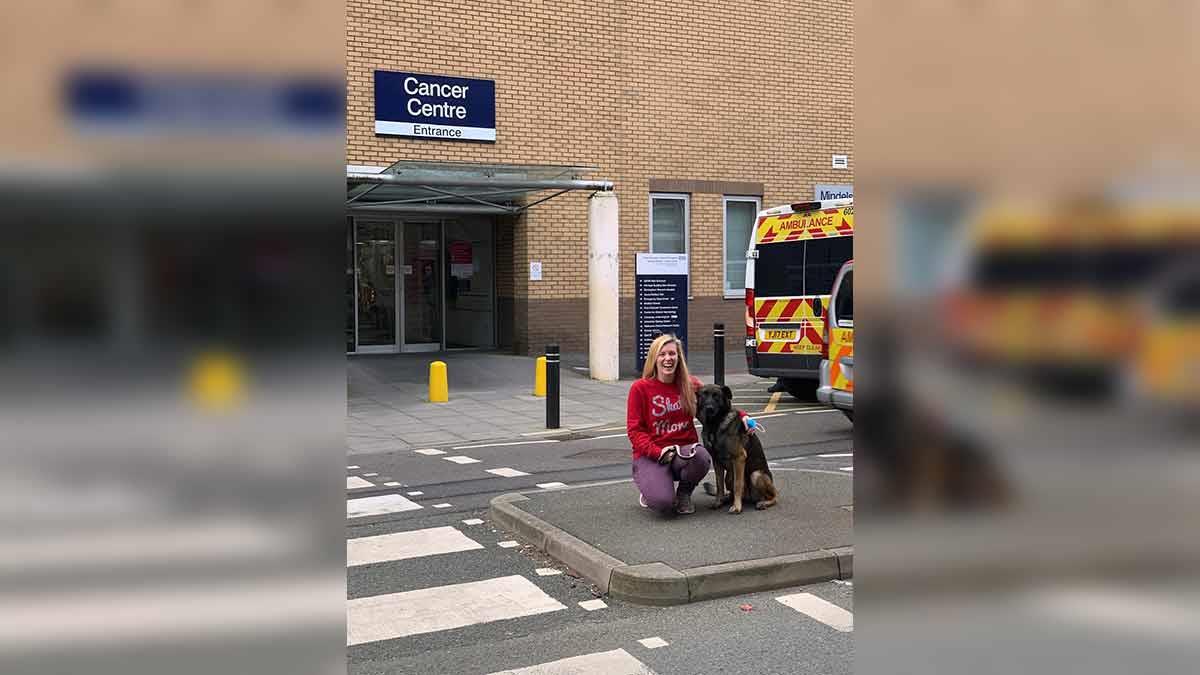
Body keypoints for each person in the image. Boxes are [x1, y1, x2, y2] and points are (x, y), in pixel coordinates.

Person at [627, 333, 754, 515]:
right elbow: (634, 431)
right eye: (662, 354)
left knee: (702, 457)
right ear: (654, 358)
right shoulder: (639, 388)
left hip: (682, 453)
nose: (668, 359)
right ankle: (652, 488)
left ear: (679, 357)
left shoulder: (690, 385)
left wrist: (743, 416)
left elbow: (718, 401)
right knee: (663, 503)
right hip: (652, 454)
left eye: (672, 354)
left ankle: (684, 492)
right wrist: (657, 452)